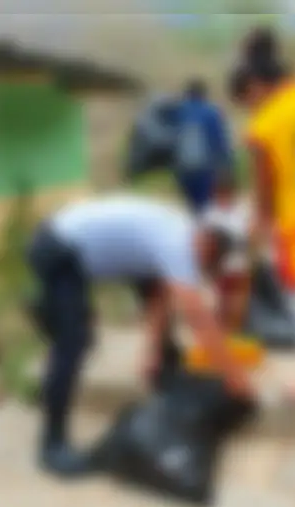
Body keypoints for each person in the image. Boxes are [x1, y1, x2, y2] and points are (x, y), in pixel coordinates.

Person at [27, 197, 254, 477]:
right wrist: (234, 376)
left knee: (148, 300)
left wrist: (152, 353)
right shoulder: (179, 243)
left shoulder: (177, 235)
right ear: (208, 244)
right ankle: (52, 446)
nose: (202, 270)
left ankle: (163, 370)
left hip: (67, 247)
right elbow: (198, 318)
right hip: (57, 249)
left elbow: (158, 298)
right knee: (73, 343)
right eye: (209, 263)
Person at [229, 28, 295, 301]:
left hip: (294, 231)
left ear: (254, 86)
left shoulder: (264, 126)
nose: (251, 109)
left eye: (248, 103)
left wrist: (251, 240)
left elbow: (264, 197)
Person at [201, 173, 252, 332]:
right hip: (220, 268)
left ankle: (235, 332)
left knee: (237, 303)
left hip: (239, 265)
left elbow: (248, 239)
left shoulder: (241, 213)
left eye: (227, 192)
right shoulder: (211, 214)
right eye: (221, 193)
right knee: (220, 303)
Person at [173, 79, 232, 216]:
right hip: (205, 168)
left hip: (183, 168)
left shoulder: (178, 113)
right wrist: (227, 167)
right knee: (205, 206)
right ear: (203, 95)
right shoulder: (211, 113)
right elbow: (220, 142)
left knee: (191, 206)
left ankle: (194, 229)